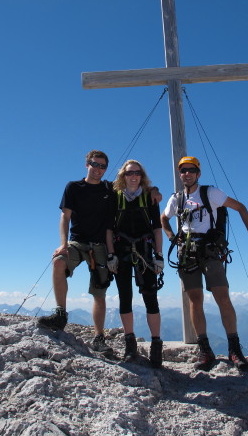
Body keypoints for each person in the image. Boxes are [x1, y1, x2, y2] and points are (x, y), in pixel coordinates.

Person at [38, 150, 161, 355]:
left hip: (101, 245)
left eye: (102, 166)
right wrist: (63, 244)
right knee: (59, 261)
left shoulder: (109, 189)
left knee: (99, 290)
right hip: (77, 241)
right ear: (87, 164)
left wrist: (154, 189)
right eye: (95, 164)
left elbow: (135, 186)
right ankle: (60, 314)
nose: (98, 169)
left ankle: (98, 337)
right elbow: (64, 217)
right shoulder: (73, 187)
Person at [160, 156, 248, 372]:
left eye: (191, 170)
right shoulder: (176, 199)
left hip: (210, 251)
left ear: (198, 173)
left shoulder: (211, 193)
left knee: (222, 298)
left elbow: (241, 207)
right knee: (195, 300)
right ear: (180, 175)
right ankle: (205, 350)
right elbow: (164, 218)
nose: (186, 174)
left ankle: (234, 349)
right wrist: (171, 237)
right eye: (183, 171)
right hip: (187, 252)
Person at [106, 160, 164, 367]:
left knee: (150, 296)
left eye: (137, 173)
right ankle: (130, 345)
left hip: (146, 252)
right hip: (121, 251)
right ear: (123, 175)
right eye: (130, 173)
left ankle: (156, 346)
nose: (134, 176)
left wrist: (159, 255)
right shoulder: (115, 196)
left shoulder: (150, 197)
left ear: (142, 175)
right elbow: (109, 229)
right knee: (125, 297)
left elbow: (157, 228)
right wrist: (111, 254)